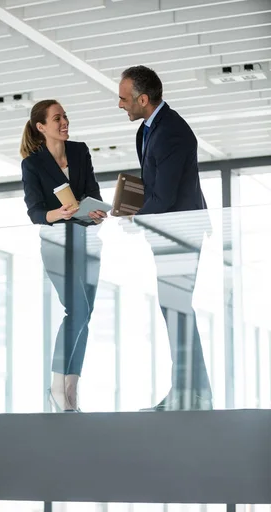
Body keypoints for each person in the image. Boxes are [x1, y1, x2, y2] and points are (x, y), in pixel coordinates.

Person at [118, 65, 212, 410]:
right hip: (169, 233)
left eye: (124, 98)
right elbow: (155, 187)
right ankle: (191, 392)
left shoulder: (170, 131)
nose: (120, 104)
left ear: (143, 99)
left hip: (181, 233)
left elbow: (166, 197)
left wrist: (134, 219)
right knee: (174, 309)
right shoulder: (148, 129)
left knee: (176, 309)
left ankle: (191, 393)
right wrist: (130, 204)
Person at [20, 99, 107, 412]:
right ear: (41, 127)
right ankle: (57, 387)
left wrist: (96, 211)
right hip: (56, 242)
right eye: (57, 118)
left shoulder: (80, 151)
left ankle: (71, 390)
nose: (64, 122)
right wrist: (59, 212)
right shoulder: (32, 163)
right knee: (77, 310)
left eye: (65, 116)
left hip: (88, 240)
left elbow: (92, 193)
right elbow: (35, 212)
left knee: (86, 315)